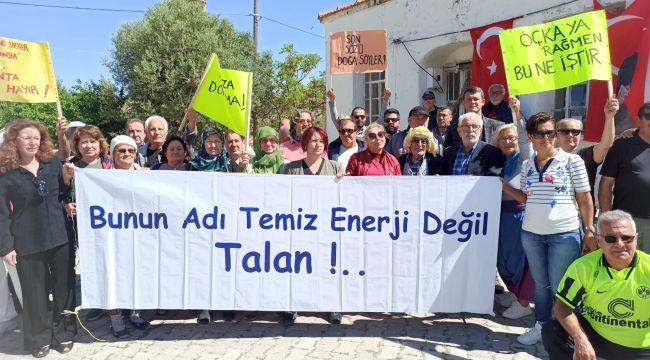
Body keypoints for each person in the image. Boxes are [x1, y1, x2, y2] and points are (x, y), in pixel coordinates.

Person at [503, 112, 595, 345]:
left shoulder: (572, 161)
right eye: (540, 133)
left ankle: (570, 332)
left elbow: (585, 199)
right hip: (532, 234)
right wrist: (503, 186)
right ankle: (542, 326)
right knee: (541, 285)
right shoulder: (527, 165)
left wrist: (590, 229)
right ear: (531, 137)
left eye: (550, 133)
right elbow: (526, 196)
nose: (546, 138)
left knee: (560, 285)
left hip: (564, 233)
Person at [0, 119, 76, 357]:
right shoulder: (6, 174)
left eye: (36, 138)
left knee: (64, 289)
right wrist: (6, 247)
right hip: (28, 243)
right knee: (35, 294)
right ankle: (39, 338)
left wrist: (67, 180)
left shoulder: (52, 163)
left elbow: (62, 195)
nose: (33, 142)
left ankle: (63, 333)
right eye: (26, 138)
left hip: (60, 238)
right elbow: (2, 214)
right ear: (14, 142)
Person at [542, 210, 650, 359]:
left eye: (627, 238)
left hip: (641, 346)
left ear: (636, 239)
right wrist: (581, 340)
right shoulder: (583, 267)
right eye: (611, 238)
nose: (620, 244)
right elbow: (562, 306)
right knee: (552, 330)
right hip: (597, 336)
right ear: (599, 241)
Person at [279, 126, 342, 326]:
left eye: (321, 141)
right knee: (296, 266)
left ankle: (331, 305)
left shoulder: (334, 167)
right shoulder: (290, 168)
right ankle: (292, 304)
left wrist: (344, 182)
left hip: (325, 227)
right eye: (313, 140)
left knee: (326, 265)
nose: (318, 144)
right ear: (305, 143)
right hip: (298, 226)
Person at [104, 136, 150, 338]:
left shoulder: (146, 176)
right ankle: (115, 318)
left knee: (137, 273)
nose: (126, 155)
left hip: (139, 234)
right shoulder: (102, 178)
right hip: (112, 235)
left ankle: (135, 313)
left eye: (131, 151)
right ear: (112, 154)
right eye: (121, 151)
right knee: (113, 275)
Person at [493, 124, 535, 319]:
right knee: (504, 259)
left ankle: (523, 303)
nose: (508, 141)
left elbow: (526, 142)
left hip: (519, 215)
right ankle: (514, 293)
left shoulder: (525, 159)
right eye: (503, 139)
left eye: (512, 137)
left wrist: (515, 113)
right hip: (502, 216)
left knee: (519, 260)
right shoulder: (504, 161)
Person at [599, 102, 650, 253]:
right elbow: (606, 184)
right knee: (626, 269)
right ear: (638, 120)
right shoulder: (622, 146)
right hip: (627, 222)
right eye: (648, 116)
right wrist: (607, 219)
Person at [556, 98, 619, 209]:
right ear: (556, 134)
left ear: (580, 134)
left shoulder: (585, 155)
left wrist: (610, 117)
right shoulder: (546, 157)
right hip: (553, 216)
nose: (570, 135)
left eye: (575, 132)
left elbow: (606, 144)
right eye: (565, 131)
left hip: (582, 217)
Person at [446, 86, 519, 148]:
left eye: (476, 99)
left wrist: (516, 112)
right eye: (469, 99)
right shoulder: (454, 127)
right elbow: (448, 152)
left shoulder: (498, 126)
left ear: (483, 102)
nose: (472, 102)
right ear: (463, 103)